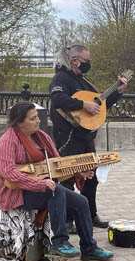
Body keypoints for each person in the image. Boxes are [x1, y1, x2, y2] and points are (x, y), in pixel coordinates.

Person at [0, 102, 114, 261]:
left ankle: (89, 248)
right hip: (18, 193)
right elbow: (9, 173)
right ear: (19, 122)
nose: (38, 121)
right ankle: (59, 242)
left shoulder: (41, 136)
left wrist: (78, 172)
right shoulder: (7, 141)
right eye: (32, 119)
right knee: (55, 191)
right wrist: (40, 184)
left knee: (81, 201)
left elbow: (57, 164)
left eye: (37, 117)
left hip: (44, 188)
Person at [49, 44, 129, 229]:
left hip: (85, 136)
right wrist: (82, 105)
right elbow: (57, 99)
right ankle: (67, 221)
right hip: (68, 137)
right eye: (86, 61)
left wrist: (117, 92)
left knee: (91, 178)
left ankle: (90, 215)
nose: (88, 64)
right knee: (67, 178)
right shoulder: (61, 78)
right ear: (74, 61)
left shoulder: (83, 81)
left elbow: (98, 106)